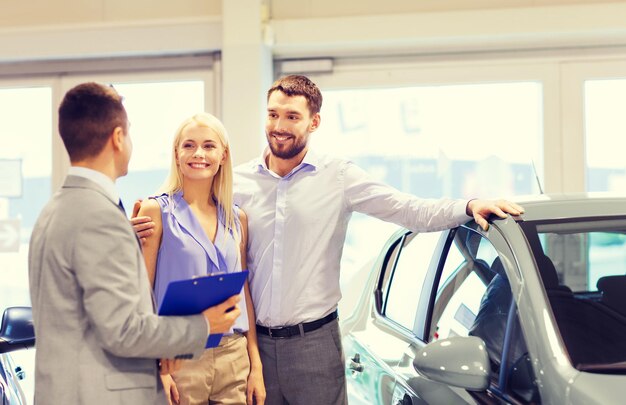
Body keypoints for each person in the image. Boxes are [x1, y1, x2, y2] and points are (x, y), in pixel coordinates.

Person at [133, 75, 524, 405]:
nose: (279, 126)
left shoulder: (339, 177)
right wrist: (135, 229)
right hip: (251, 349)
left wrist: (467, 205)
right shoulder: (238, 183)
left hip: (314, 346)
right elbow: (188, 211)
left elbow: (408, 209)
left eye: (292, 117)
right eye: (272, 115)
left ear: (314, 122)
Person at [28, 82, 241, 405]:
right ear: (117, 138)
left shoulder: (56, 210)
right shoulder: (100, 218)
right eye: (129, 133)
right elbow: (124, 330)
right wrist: (203, 326)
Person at [136, 113, 265, 405]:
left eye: (209, 146)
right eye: (189, 146)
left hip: (234, 356)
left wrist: (255, 365)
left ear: (223, 155)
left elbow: (243, 295)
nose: (199, 154)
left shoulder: (237, 218)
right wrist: (158, 368)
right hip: (179, 358)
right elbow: (142, 294)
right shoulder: (154, 211)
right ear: (177, 154)